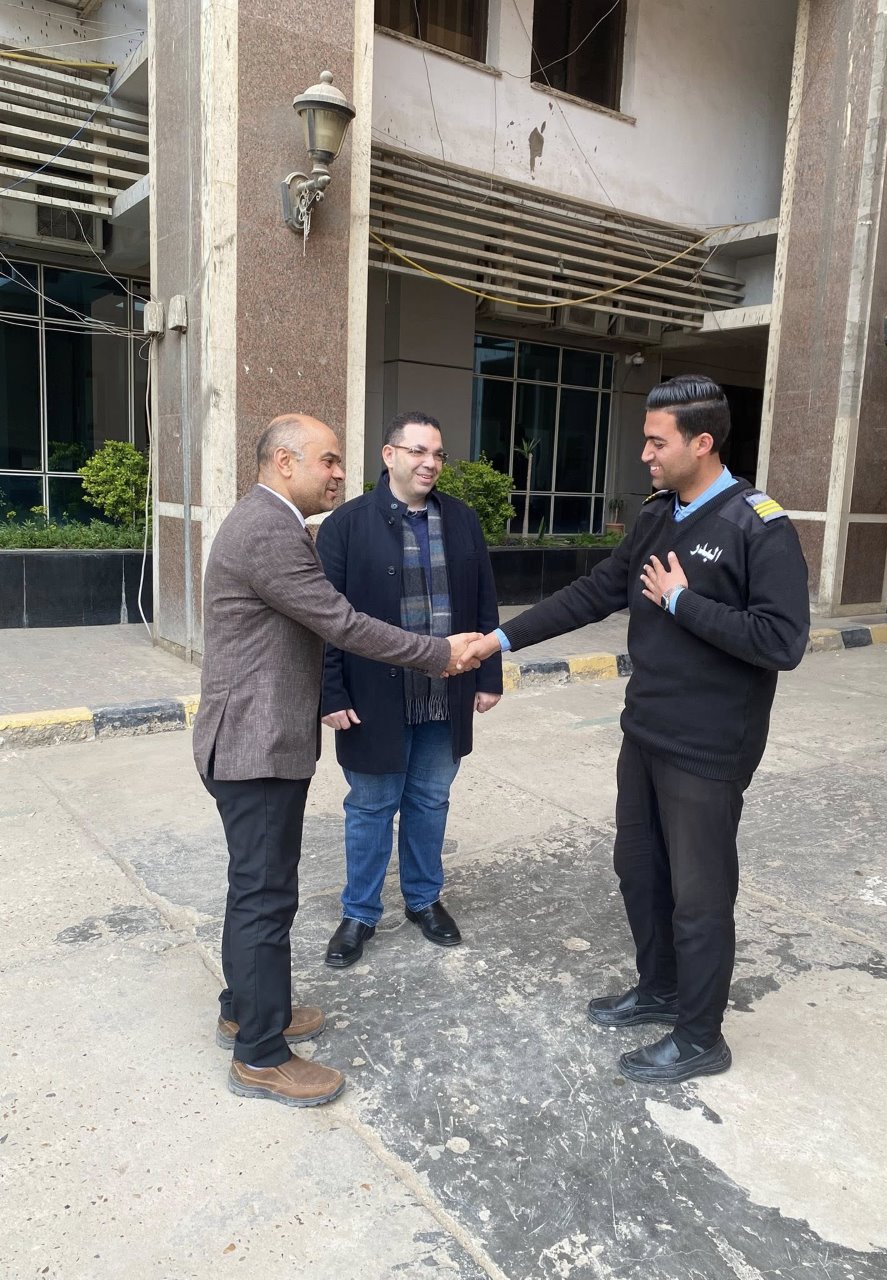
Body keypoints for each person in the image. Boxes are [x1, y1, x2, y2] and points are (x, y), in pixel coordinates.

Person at [457, 375, 810, 1083]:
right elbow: (594, 592)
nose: (644, 454)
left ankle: (701, 1036)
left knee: (700, 895)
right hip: (645, 730)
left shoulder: (757, 527)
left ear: (702, 443)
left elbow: (782, 641)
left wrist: (682, 602)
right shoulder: (657, 516)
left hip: (709, 746)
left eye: (657, 442)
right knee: (640, 871)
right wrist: (499, 639)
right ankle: (661, 989)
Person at [193, 413, 482, 1108]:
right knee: (266, 897)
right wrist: (439, 653)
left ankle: (245, 1007)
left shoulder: (270, 522)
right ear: (284, 462)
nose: (339, 473)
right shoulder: (270, 531)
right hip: (255, 746)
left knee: (254, 887)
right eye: (327, 460)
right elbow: (341, 623)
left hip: (254, 740)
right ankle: (261, 1055)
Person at [319, 411, 502, 968]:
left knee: (430, 799)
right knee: (371, 806)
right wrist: (330, 693)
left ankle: (424, 900)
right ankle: (359, 913)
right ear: (389, 455)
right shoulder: (347, 524)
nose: (430, 463)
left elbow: (485, 599)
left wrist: (488, 674)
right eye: (418, 451)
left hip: (448, 691)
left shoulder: (462, 520)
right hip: (374, 694)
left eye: (438, 453)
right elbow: (326, 618)